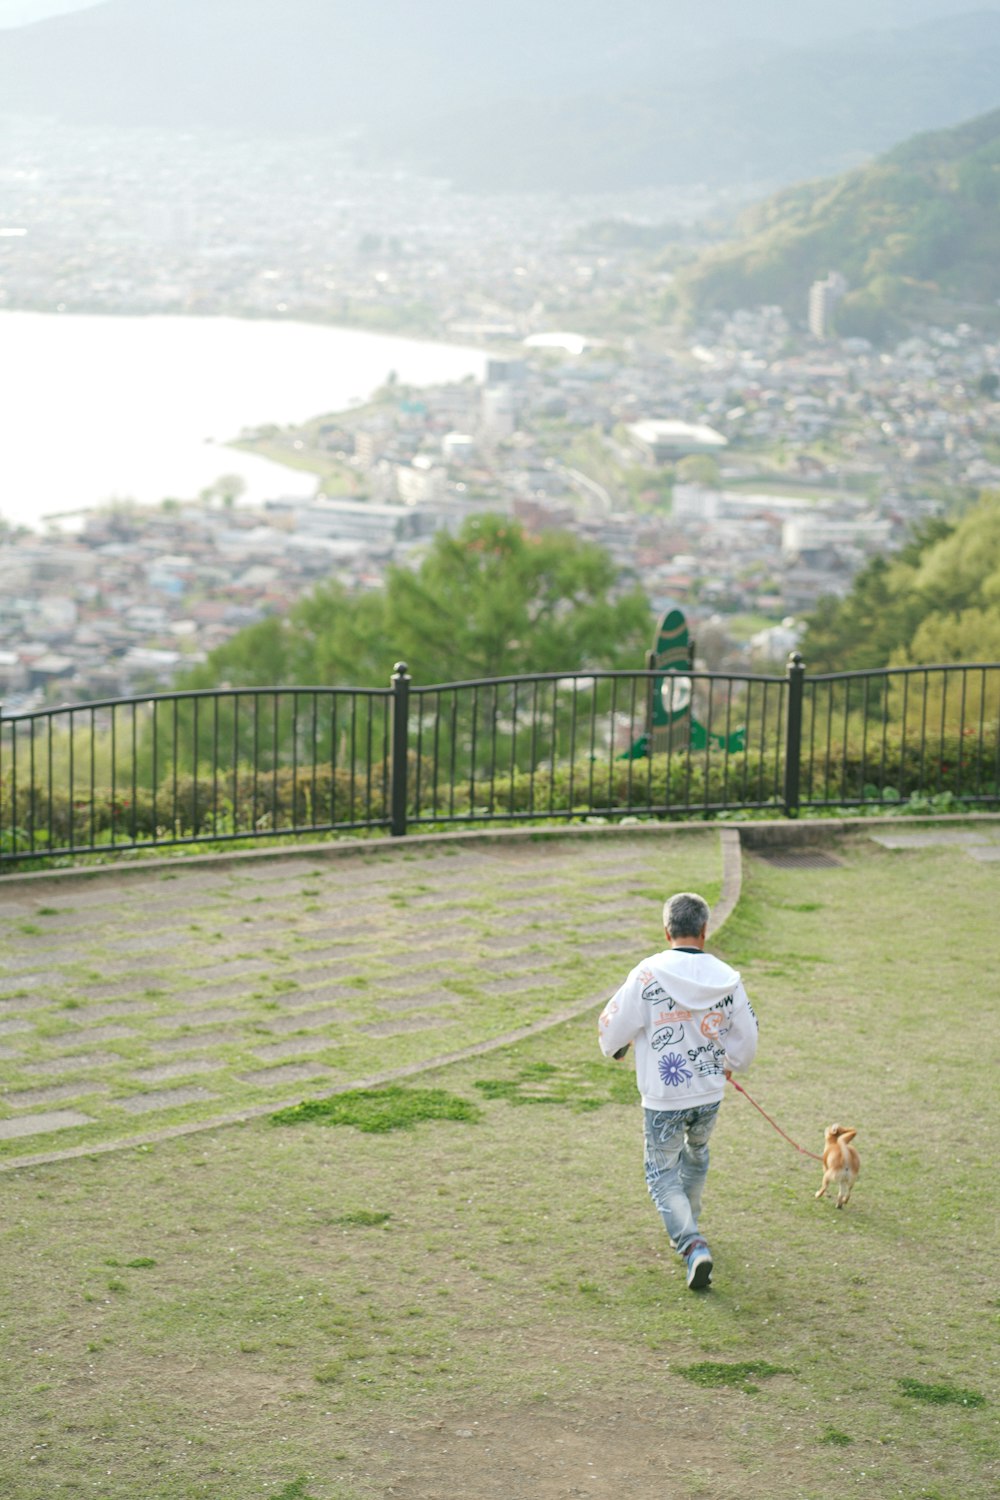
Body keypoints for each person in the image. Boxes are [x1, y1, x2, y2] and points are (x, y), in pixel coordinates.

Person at [598, 891, 757, 1291]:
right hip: (708, 1092)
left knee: (661, 1172)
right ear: (704, 930)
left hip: (663, 1097)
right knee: (697, 1152)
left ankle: (690, 1243)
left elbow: (613, 1025)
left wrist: (615, 1047)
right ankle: (691, 1220)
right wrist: (730, 1064)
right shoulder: (728, 979)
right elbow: (747, 1038)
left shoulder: (647, 974)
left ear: (667, 930)